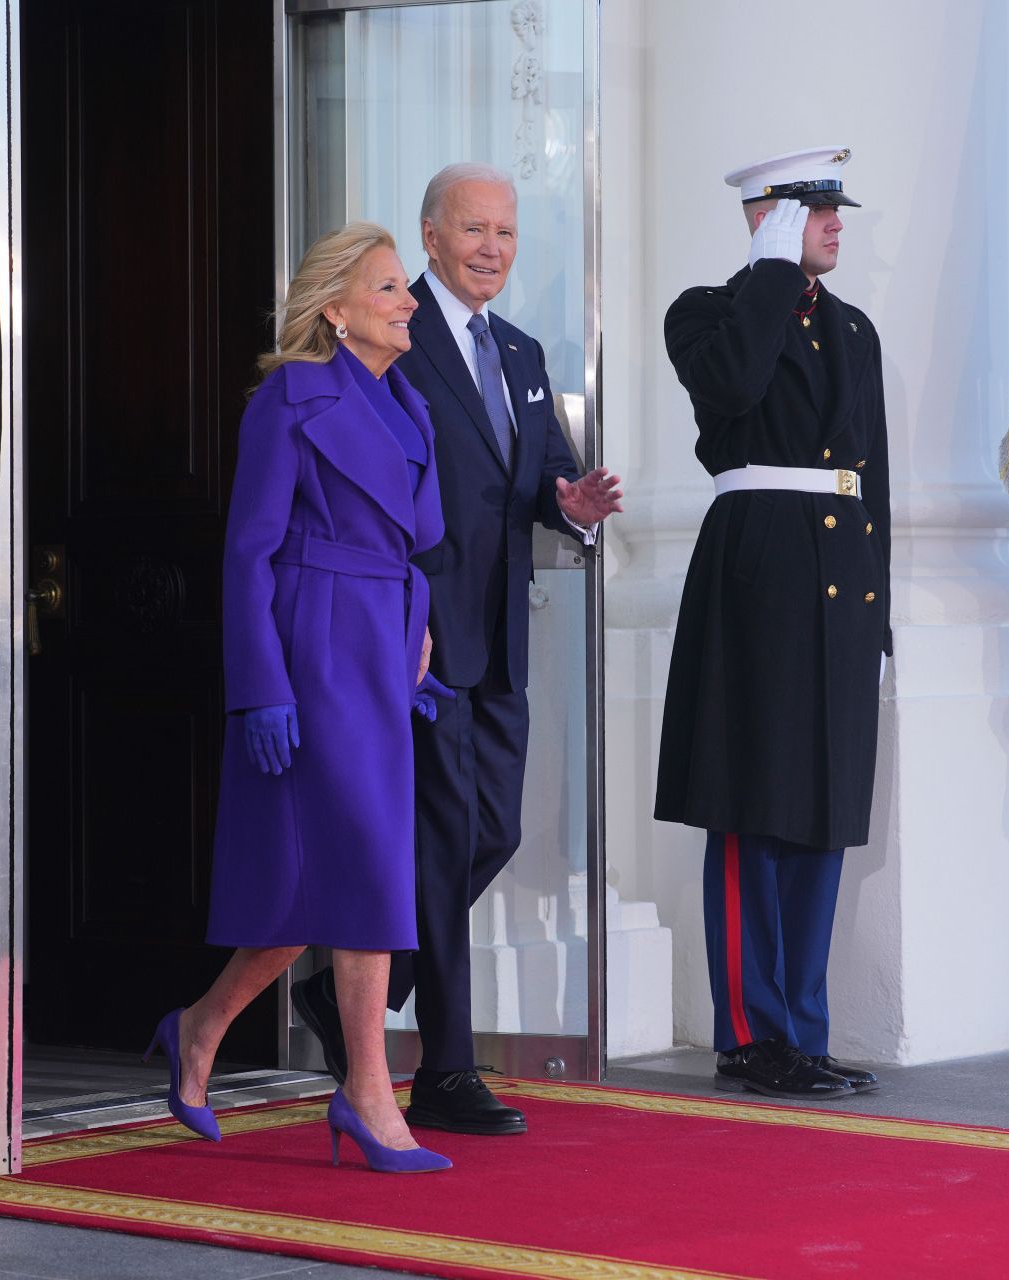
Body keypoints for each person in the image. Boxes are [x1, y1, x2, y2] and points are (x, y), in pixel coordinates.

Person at [292, 163, 623, 1137]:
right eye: (475, 230)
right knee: (442, 837)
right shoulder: (398, 333)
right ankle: (442, 1067)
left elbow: (545, 483)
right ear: (429, 236)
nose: (493, 248)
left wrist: (575, 510)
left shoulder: (521, 352)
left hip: (503, 637)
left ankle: (355, 980)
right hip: (420, 634)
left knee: (493, 831)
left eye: (508, 234)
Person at [150, 222, 454, 1174]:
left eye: (406, 288)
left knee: (311, 892)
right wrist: (261, 689)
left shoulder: (409, 402)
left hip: (379, 646)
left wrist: (419, 636)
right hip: (313, 644)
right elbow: (246, 555)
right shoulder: (290, 398)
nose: (409, 302)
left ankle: (198, 1030)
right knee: (363, 868)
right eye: (390, 288)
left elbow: (409, 545)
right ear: (337, 309)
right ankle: (368, 1093)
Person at [653, 146, 890, 1099]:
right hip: (758, 569)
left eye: (837, 209)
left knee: (822, 813)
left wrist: (879, 618)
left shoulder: (856, 328)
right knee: (755, 811)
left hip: (837, 576)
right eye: (813, 209)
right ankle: (751, 1036)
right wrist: (767, 270)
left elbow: (873, 476)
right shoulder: (709, 311)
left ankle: (804, 1027)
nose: (836, 223)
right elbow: (735, 388)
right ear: (767, 216)